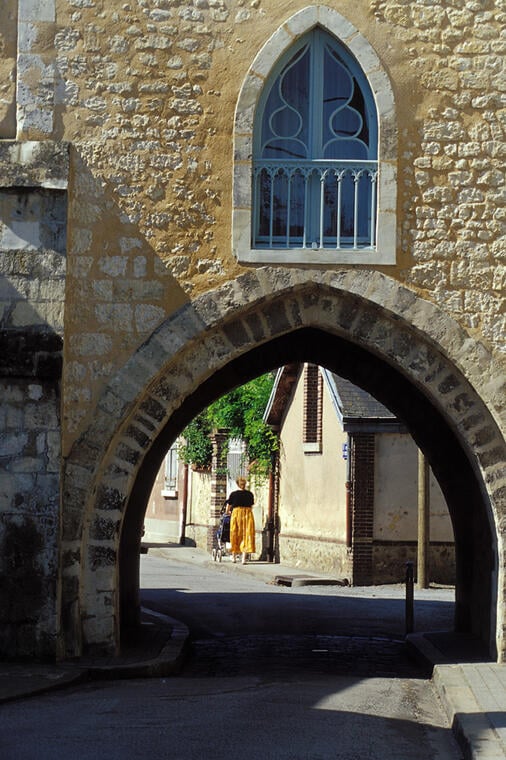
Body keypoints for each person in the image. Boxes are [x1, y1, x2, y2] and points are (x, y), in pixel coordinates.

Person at [225, 476, 255, 564]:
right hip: (247, 514)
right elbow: (251, 506)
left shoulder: (233, 494)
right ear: (245, 484)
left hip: (236, 514)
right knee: (247, 534)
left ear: (237, 484)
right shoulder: (250, 494)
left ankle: (234, 557)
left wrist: (228, 512)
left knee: (235, 533)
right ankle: (243, 559)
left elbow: (229, 507)